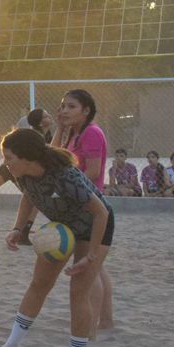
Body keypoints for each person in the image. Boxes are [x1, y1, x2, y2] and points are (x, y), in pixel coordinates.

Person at [0, 128, 113, 347]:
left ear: (27, 157)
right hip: (63, 226)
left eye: (9, 157)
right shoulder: (21, 173)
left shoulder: (65, 175)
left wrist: (91, 256)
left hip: (95, 226)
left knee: (78, 290)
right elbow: (28, 196)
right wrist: (18, 229)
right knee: (39, 284)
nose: (5, 163)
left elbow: (101, 212)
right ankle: (13, 343)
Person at [52, 90, 114, 332]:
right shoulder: (73, 134)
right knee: (98, 265)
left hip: (90, 206)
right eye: (62, 106)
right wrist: (59, 128)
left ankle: (93, 325)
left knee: (89, 268)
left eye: (71, 106)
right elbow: (51, 156)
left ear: (86, 111)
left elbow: (94, 172)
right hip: (79, 204)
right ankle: (106, 321)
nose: (64, 111)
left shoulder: (91, 133)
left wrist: (66, 190)